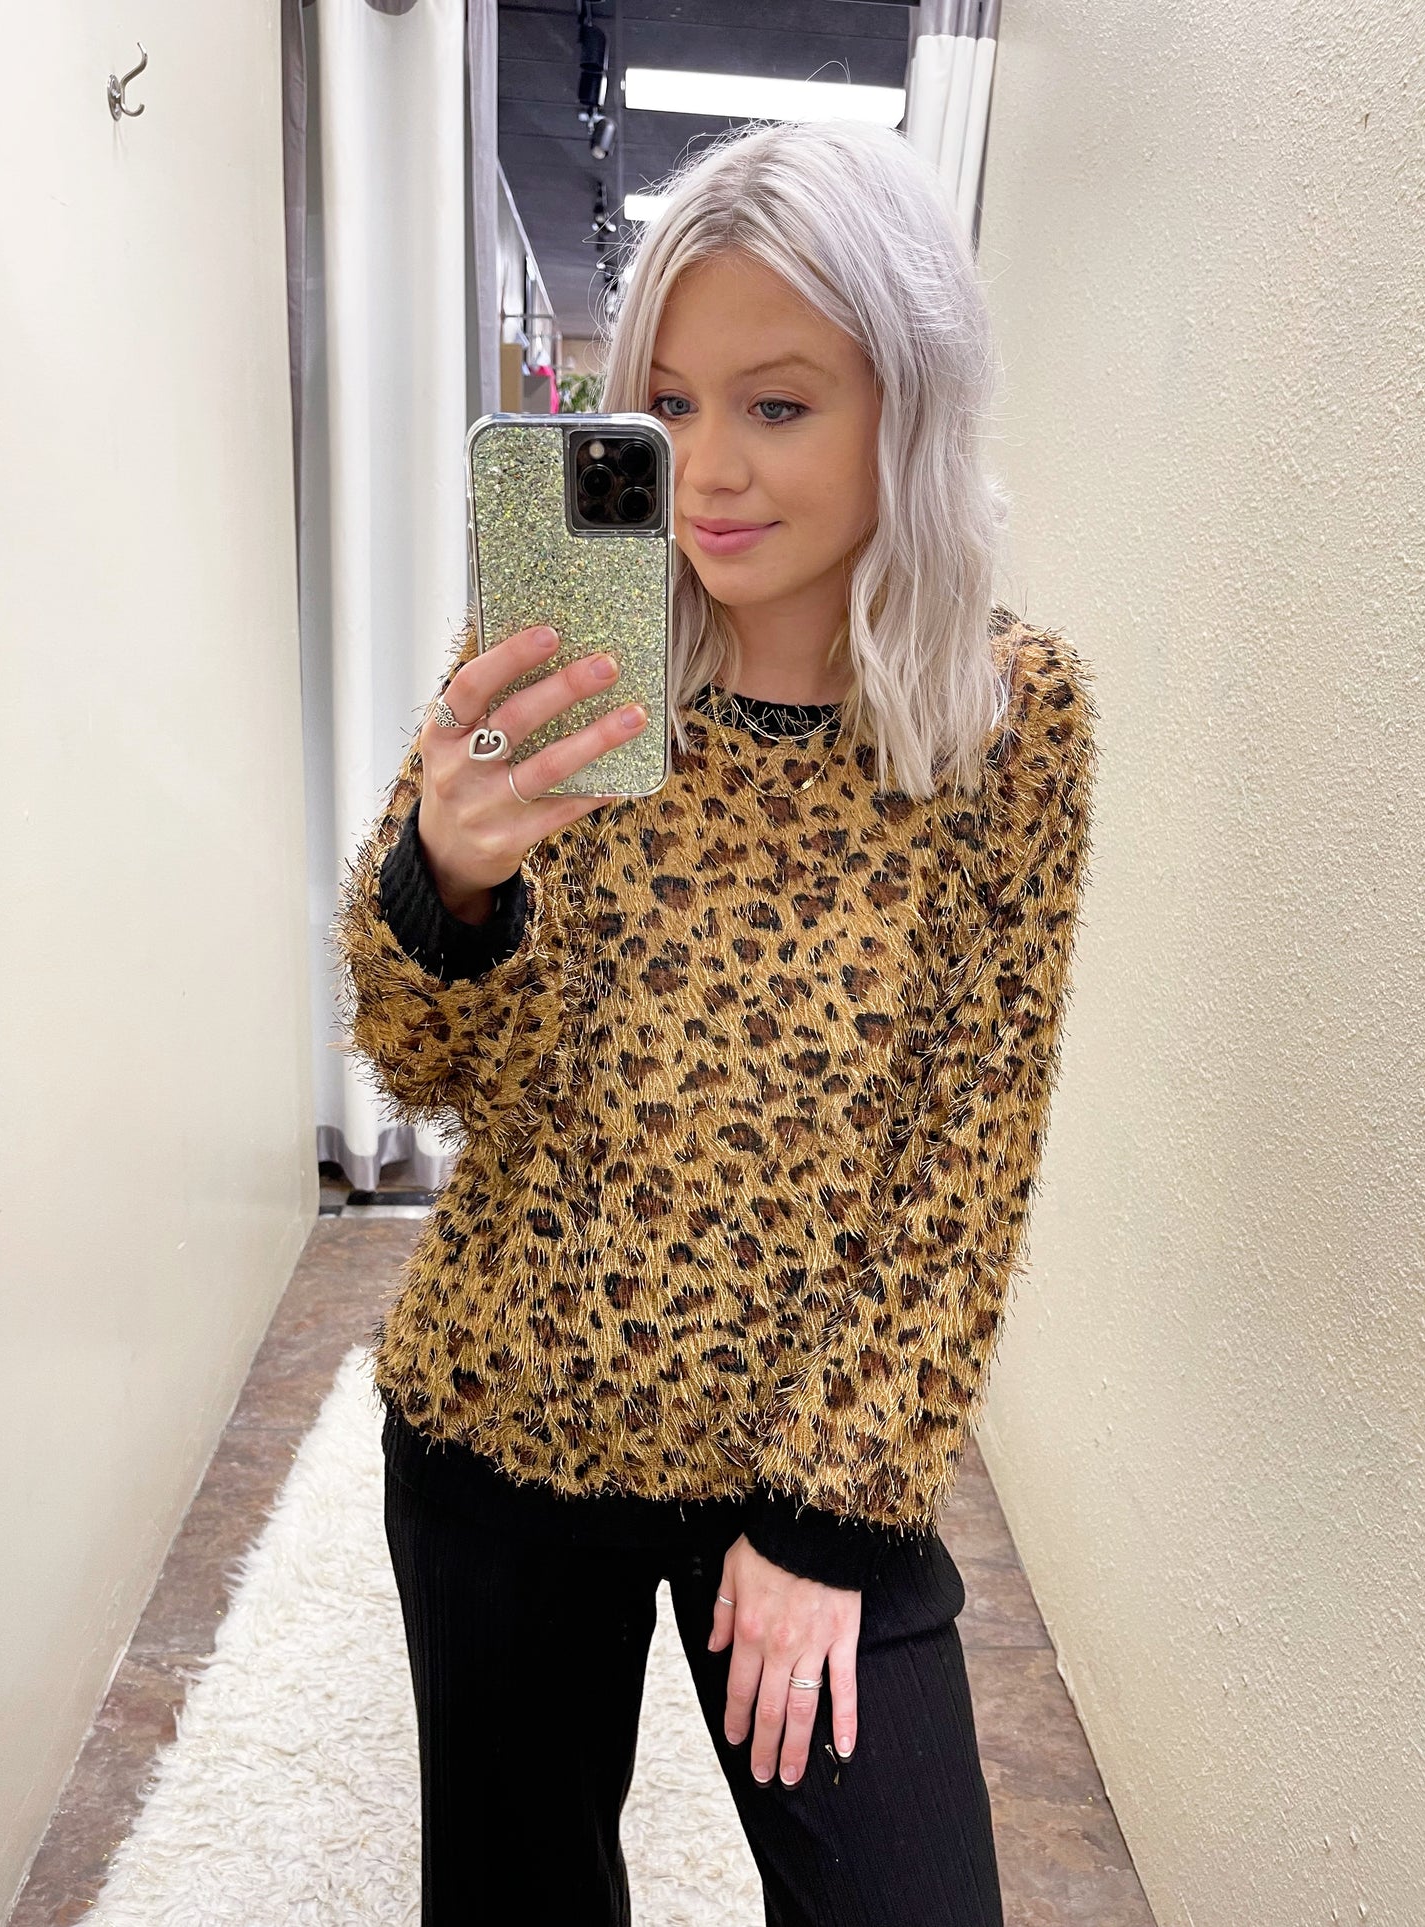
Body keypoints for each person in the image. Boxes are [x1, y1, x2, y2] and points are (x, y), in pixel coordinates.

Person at [335, 117, 1097, 1927]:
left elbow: (968, 1150)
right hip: (512, 1416)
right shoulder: (555, 674)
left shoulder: (1008, 723)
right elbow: (423, 1068)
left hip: (808, 1440)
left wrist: (829, 1523)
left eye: (777, 404)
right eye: (667, 405)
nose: (709, 471)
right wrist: (449, 882)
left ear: (906, 410)